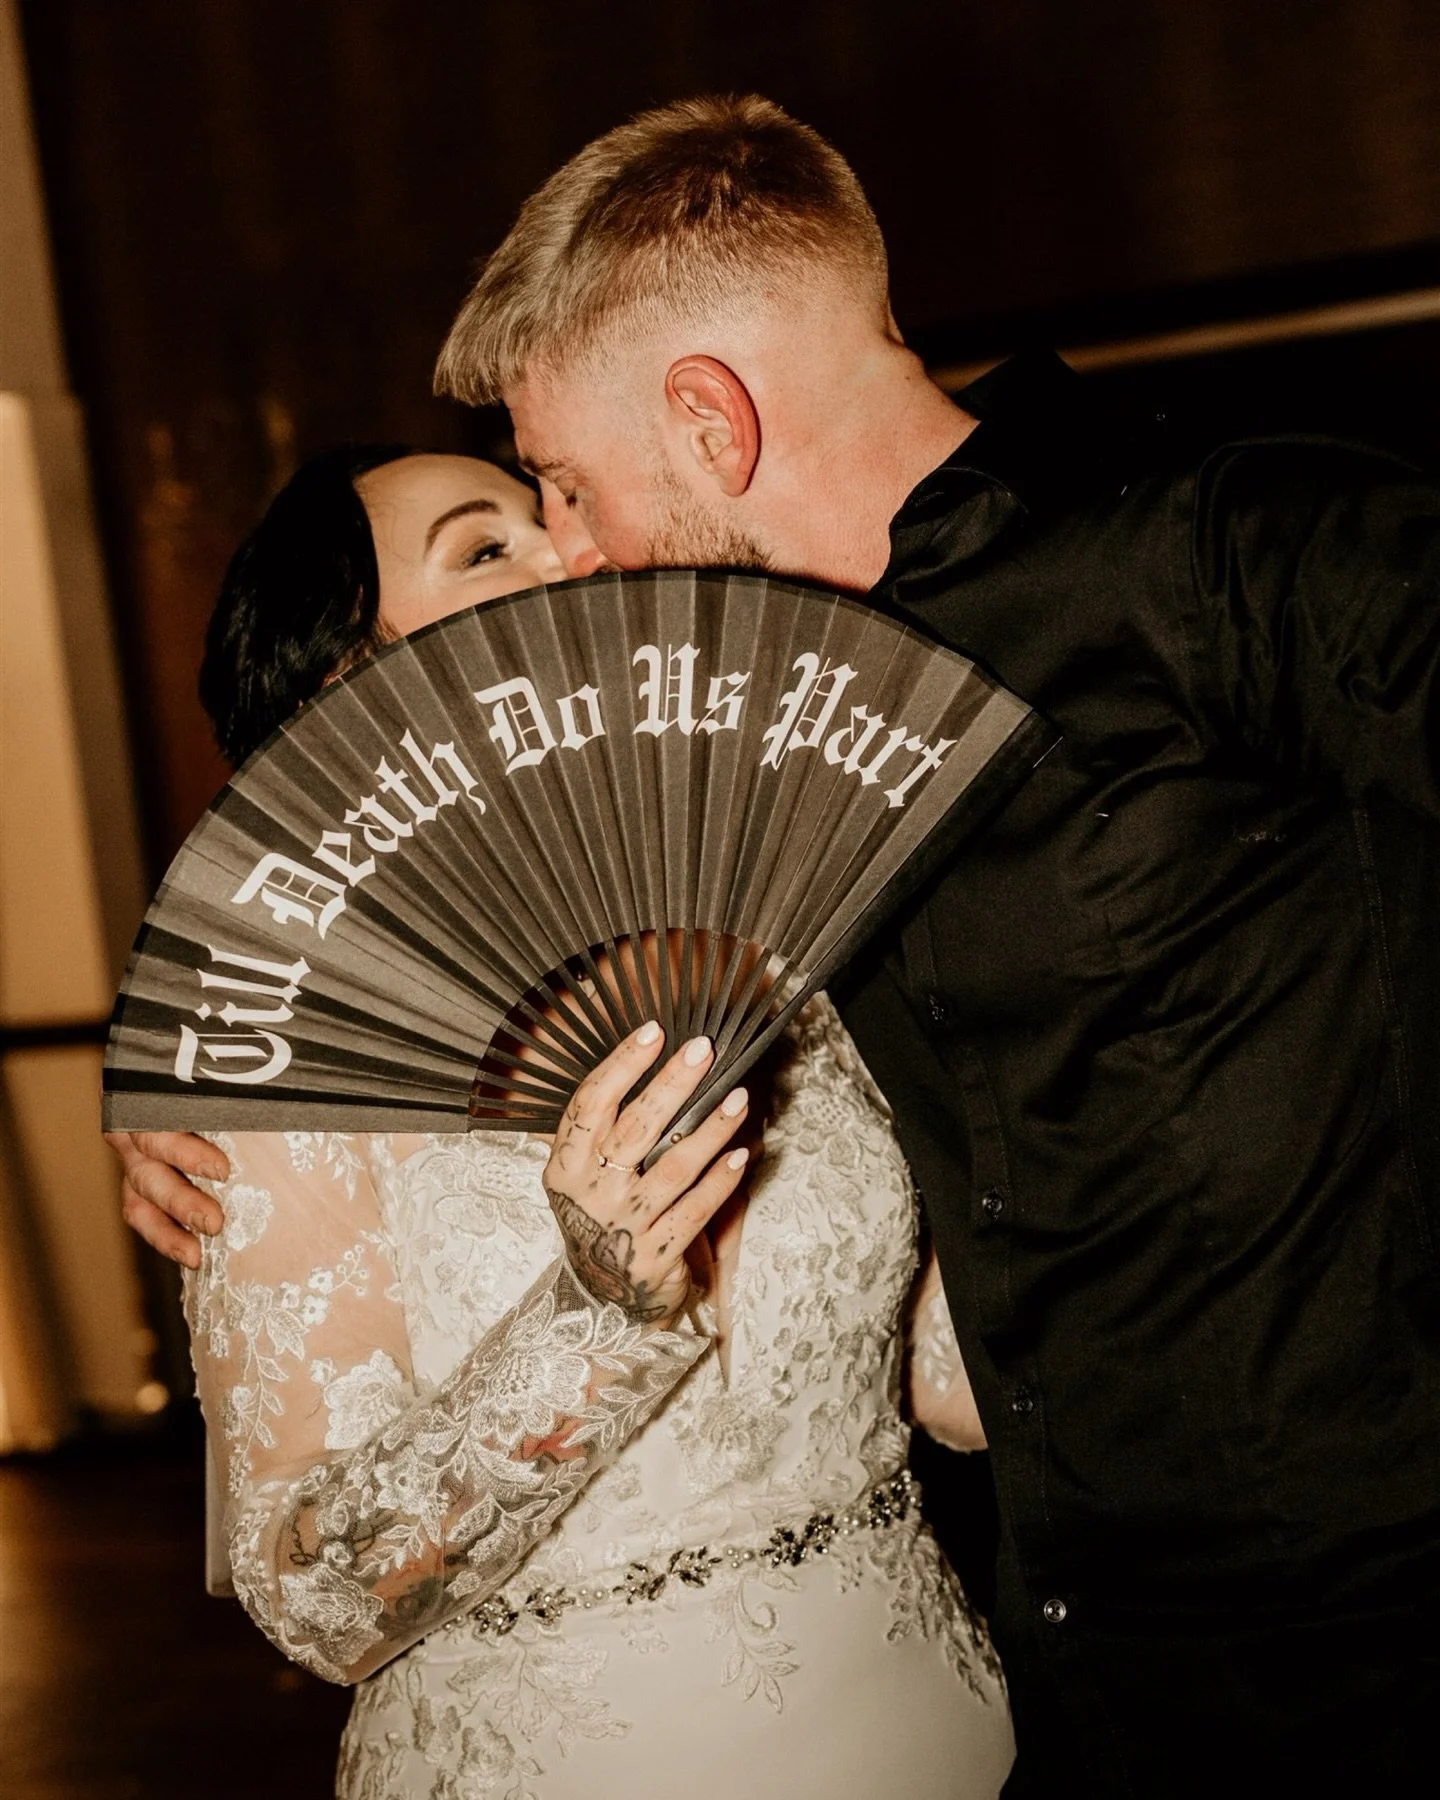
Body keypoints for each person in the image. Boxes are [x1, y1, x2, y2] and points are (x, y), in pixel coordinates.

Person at [419, 97, 1438, 1796]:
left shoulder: (1207, 545)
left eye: (568, 483)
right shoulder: (735, 730)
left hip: (1372, 1641)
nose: (570, 548)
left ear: (708, 419)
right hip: (1062, 1643)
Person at [109, 446, 1014, 1799]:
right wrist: (598, 1312)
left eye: (559, 523)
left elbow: (954, 1379)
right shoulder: (283, 1060)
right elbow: (316, 1603)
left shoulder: (775, 945)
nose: (571, 557)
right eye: (486, 549)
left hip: (941, 1737)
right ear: (351, 685)